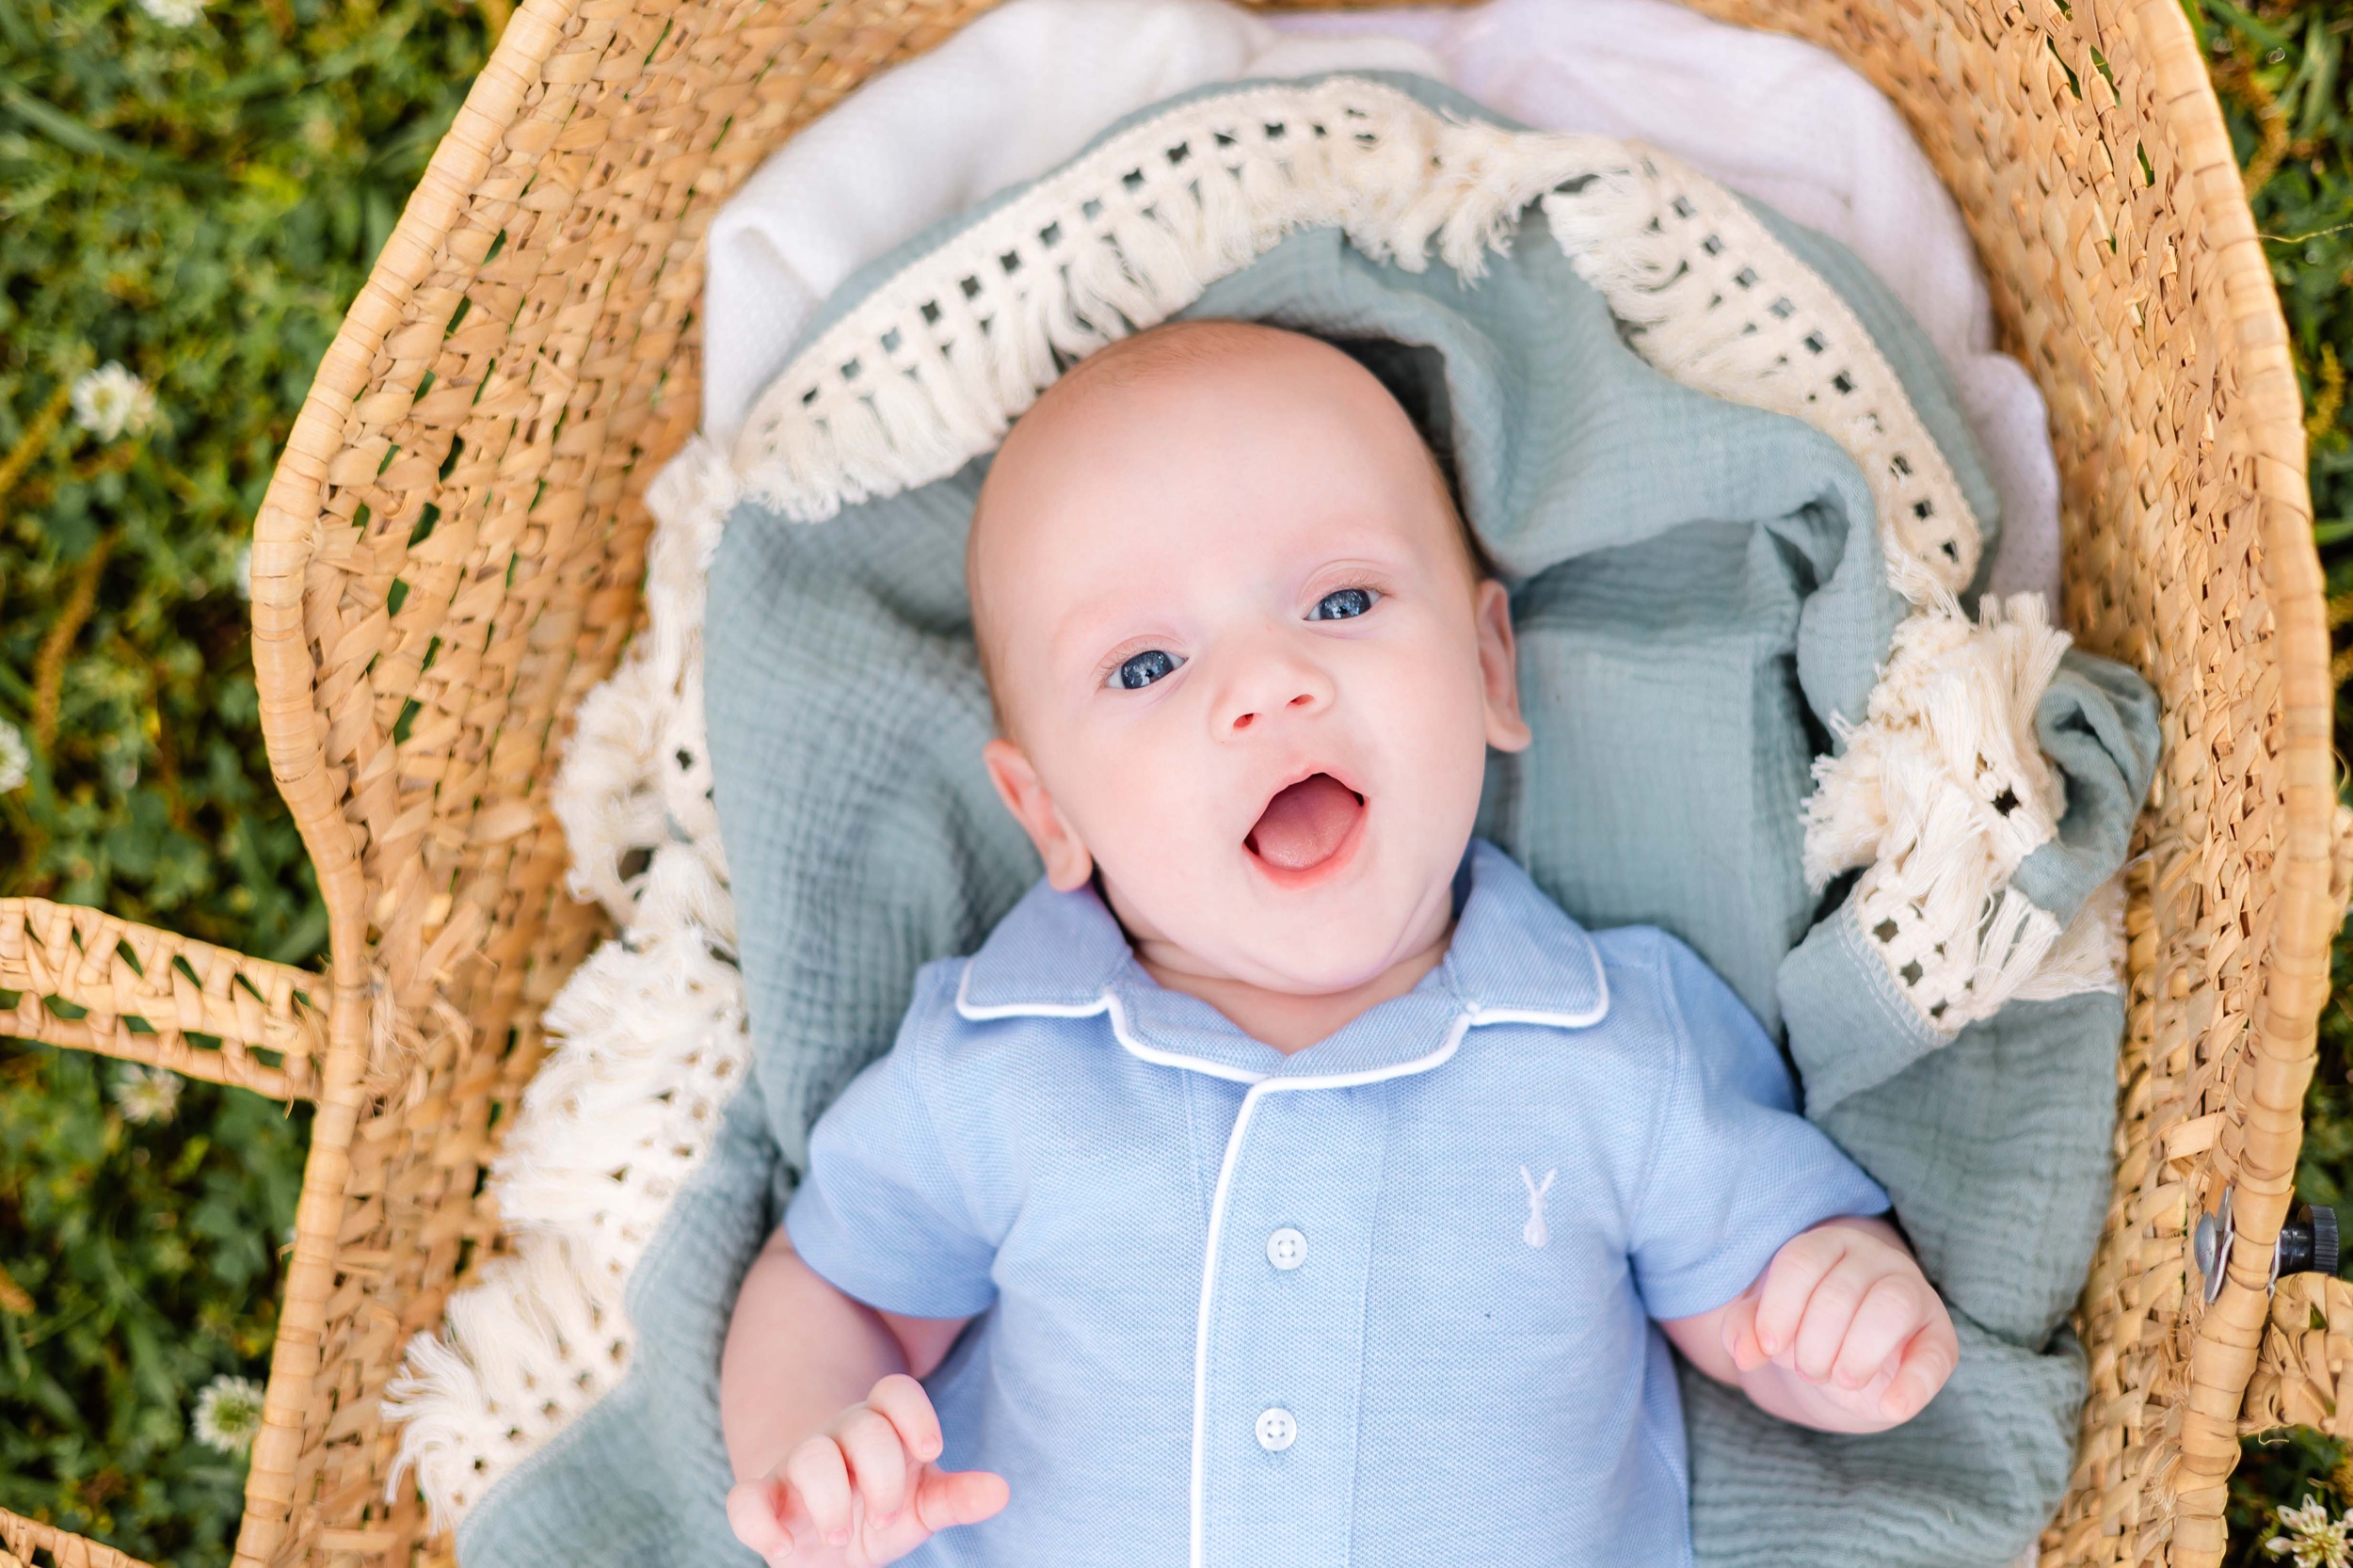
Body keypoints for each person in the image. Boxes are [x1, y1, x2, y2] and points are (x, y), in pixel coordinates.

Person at [718, 320, 1958, 1567]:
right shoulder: (1002, 1060)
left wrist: (1843, 1319)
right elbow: (841, 1290)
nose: (1268, 683)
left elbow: (1755, 1301)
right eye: (1147, 663)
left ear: (1487, 666)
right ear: (1049, 811)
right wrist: (814, 1449)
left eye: (1343, 598)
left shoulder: (1607, 1037)